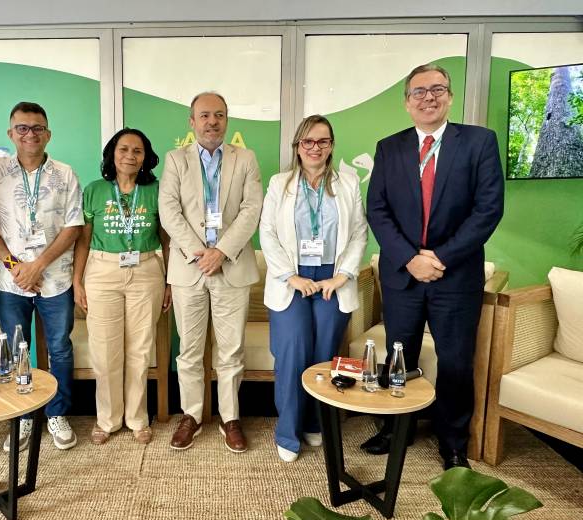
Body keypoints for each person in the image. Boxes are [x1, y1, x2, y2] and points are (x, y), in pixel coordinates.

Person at [366, 64, 504, 470]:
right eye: (419, 91)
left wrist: (439, 258)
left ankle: (453, 443)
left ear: (450, 96)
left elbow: (488, 209)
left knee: (456, 362)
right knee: (399, 356)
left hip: (455, 275)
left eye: (437, 89)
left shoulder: (479, 142)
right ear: (407, 103)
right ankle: (397, 428)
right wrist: (411, 259)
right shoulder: (389, 148)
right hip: (403, 275)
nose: (429, 97)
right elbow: (378, 210)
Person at [259, 115, 368, 462]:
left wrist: (343, 275)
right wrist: (290, 276)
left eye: (322, 141)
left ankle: (314, 423)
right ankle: (288, 432)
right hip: (291, 279)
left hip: (332, 279)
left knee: (323, 354)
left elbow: (359, 232)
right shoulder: (280, 183)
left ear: (331, 146)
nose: (315, 148)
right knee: (292, 350)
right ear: (297, 147)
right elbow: (267, 233)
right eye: (308, 141)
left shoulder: (348, 182)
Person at [159, 92, 263, 453]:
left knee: (231, 350)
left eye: (219, 115)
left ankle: (230, 418)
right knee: (188, 350)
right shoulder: (176, 160)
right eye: (204, 115)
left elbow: (252, 209)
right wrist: (199, 252)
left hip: (231, 265)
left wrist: (221, 251)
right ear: (192, 122)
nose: (212, 121)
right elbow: (169, 211)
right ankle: (191, 415)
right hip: (189, 268)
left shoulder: (245, 158)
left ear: (227, 120)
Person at [0, 102, 83, 452]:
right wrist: (16, 266)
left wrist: (38, 265)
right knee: (16, 350)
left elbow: (74, 226)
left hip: (55, 277)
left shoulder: (65, 174)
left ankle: (57, 413)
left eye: (38, 128)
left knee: (60, 348)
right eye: (22, 128)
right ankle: (24, 415)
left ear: (48, 134)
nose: (30, 134)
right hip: (10, 280)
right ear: (11, 133)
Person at [73, 128, 172, 445]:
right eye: (123, 149)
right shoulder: (94, 190)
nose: (130, 156)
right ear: (112, 154)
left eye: (137, 151)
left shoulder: (157, 190)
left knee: (140, 350)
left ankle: (137, 418)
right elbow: (83, 241)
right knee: (105, 351)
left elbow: (167, 239)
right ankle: (108, 419)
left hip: (146, 270)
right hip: (103, 272)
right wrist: (77, 280)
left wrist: (170, 281)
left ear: (145, 157)